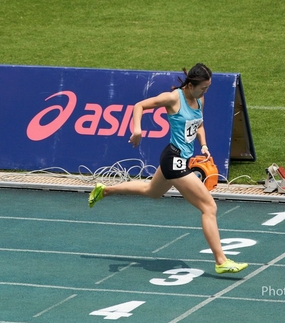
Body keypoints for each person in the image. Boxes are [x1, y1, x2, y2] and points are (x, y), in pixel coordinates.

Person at [88, 63, 248, 275]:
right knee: (209, 208)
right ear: (190, 85)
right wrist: (137, 130)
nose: (205, 92)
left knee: (151, 191)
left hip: (175, 158)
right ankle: (221, 260)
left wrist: (204, 145)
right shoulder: (173, 98)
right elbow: (139, 106)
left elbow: (198, 124)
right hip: (174, 161)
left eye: (208, 88)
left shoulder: (199, 99)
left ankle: (105, 190)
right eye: (203, 88)